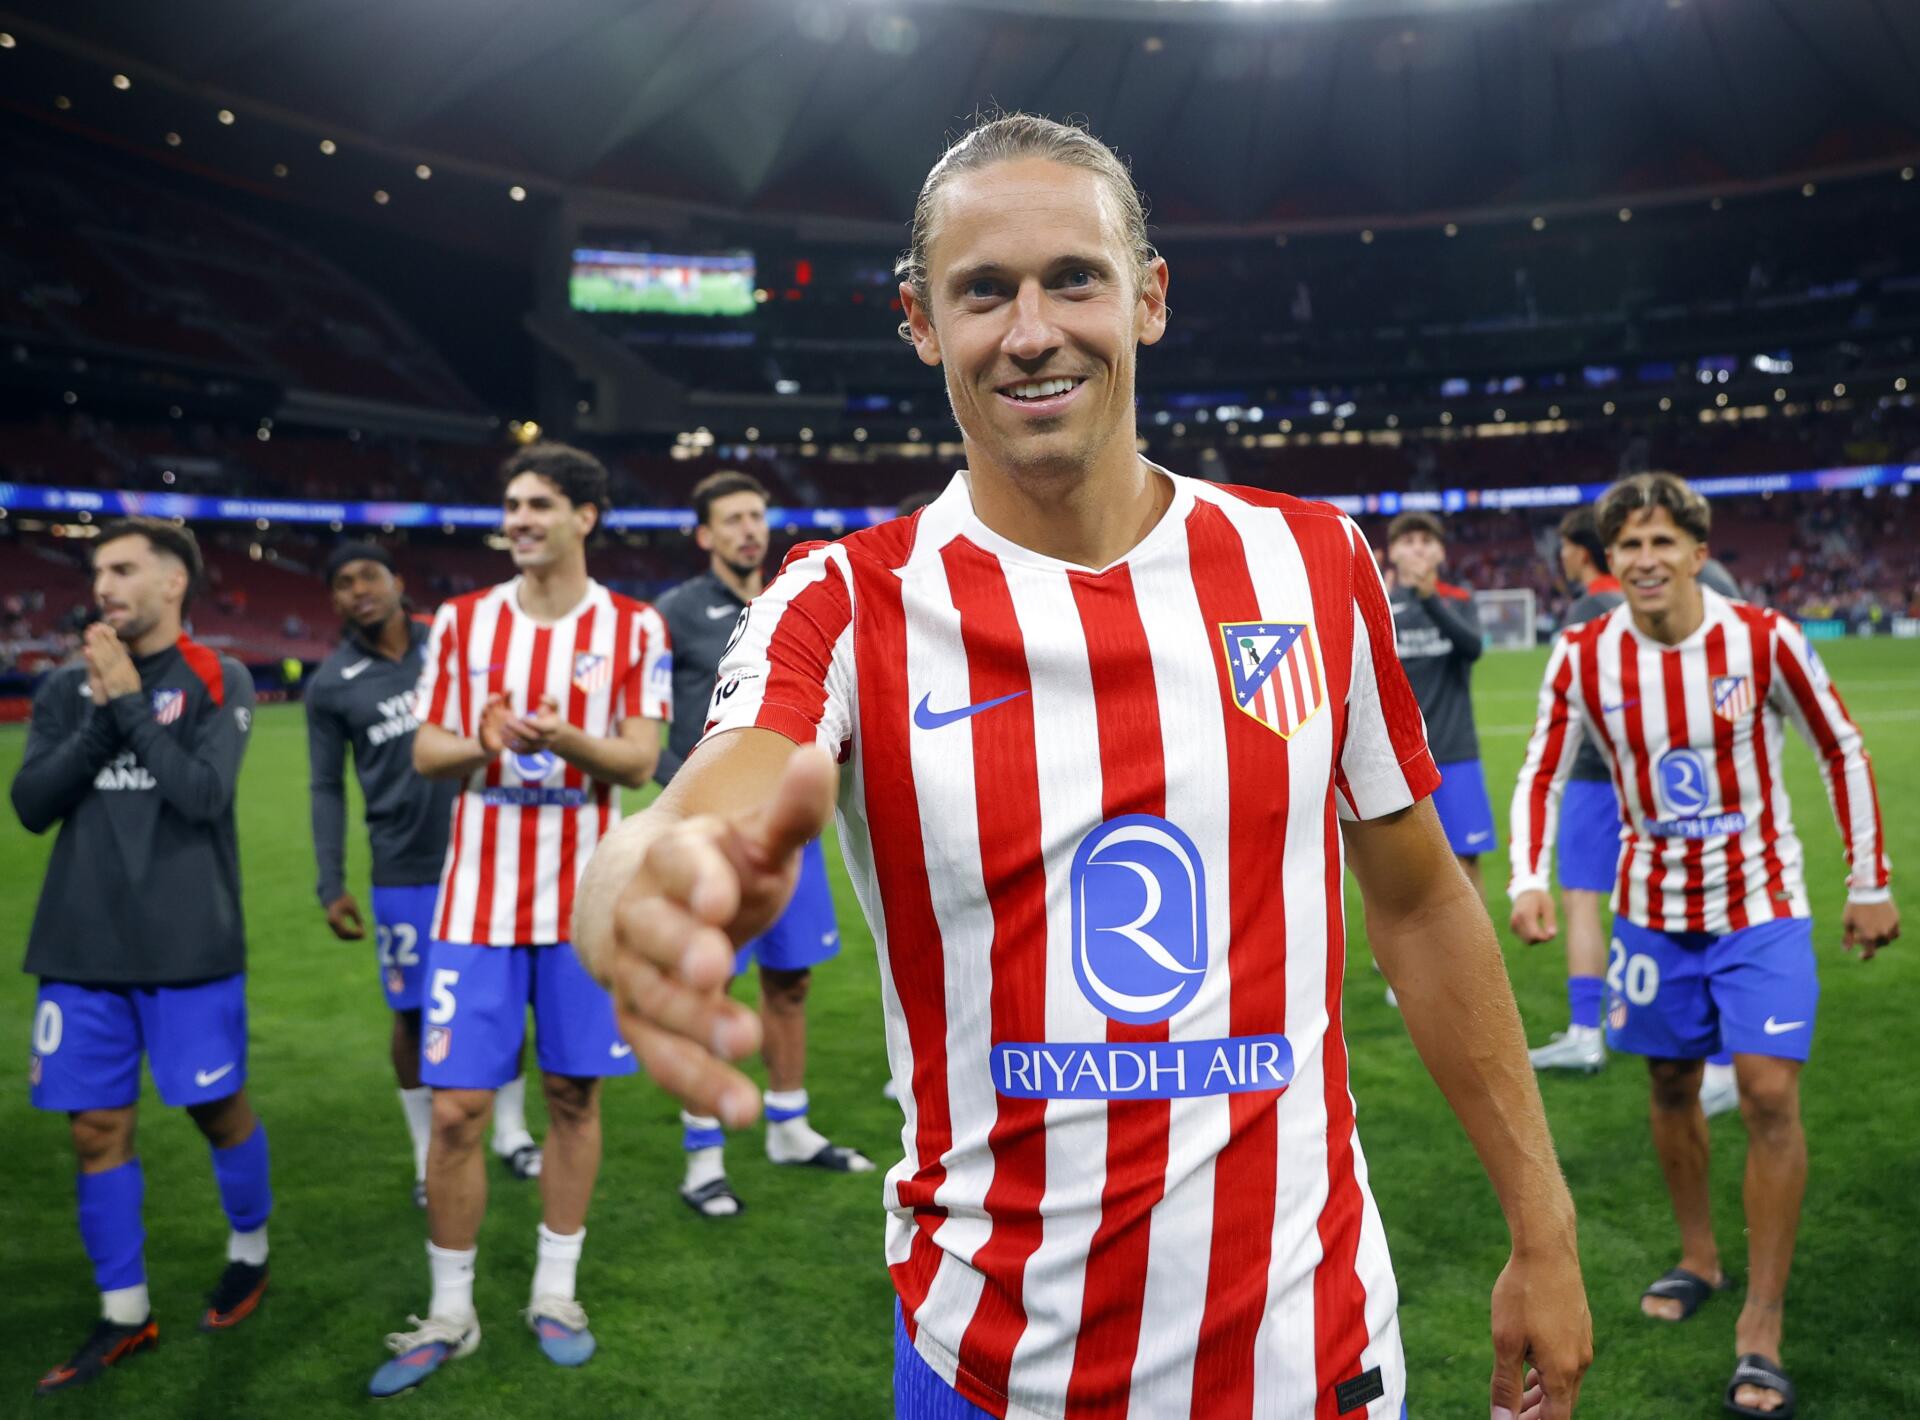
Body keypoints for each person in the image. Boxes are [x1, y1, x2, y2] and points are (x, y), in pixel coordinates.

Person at [574, 113, 1590, 1420]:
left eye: (1074, 279)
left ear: (1148, 298)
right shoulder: (844, 601)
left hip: (1313, 1350)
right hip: (991, 1367)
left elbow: (1419, 897)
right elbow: (704, 797)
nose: (1031, 330)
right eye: (982, 291)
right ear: (920, 323)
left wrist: (1544, 1224)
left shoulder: (1310, 563)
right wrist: (645, 883)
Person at [1509, 472, 1897, 1419]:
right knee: (1672, 1084)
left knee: (1766, 1092)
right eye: (1629, 546)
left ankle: (1761, 1320)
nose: (1645, 560)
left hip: (1761, 902)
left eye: (1661, 542)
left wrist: (1869, 881)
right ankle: (1700, 1257)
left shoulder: (1764, 638)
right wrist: (1526, 876)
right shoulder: (1583, 654)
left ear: (1697, 551)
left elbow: (1841, 747)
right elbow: (1541, 769)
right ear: (1611, 561)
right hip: (1651, 911)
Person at [367, 444, 669, 1396]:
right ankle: (449, 1311)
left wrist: (564, 737)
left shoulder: (633, 626)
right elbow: (427, 752)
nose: (519, 520)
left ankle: (554, 1292)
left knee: (573, 1098)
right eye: (511, 505)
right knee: (458, 1109)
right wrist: (484, 738)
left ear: (585, 516)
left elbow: (640, 761)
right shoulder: (462, 622)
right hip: (475, 906)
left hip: (586, 909)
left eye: (539, 504)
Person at [14, 518, 271, 1394]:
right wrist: (103, 714)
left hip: (187, 945)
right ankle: (125, 1313)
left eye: (123, 569)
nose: (103, 587)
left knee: (216, 1110)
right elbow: (32, 806)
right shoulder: (65, 686)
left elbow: (203, 796)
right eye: (98, 571)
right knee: (94, 1130)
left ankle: (249, 1252)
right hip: (80, 945)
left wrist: (128, 703)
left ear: (173, 583)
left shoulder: (219, 676)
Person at [654, 471, 872, 1218]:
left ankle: (789, 1126)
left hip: (791, 828)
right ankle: (703, 1158)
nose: (748, 529)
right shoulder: (675, 615)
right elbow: (648, 724)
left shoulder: (792, 599)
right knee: (706, 989)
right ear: (705, 535)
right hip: (713, 835)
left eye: (755, 516)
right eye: (732, 519)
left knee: (791, 980)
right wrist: (692, 798)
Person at [306, 541, 542, 1212]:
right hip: (402, 867)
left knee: (501, 999)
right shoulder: (332, 684)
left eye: (369, 576)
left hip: (486, 851)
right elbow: (326, 787)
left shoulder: (454, 642)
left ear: (397, 581)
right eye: (344, 582)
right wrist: (331, 881)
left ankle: (512, 1130)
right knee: (411, 1013)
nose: (359, 590)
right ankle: (424, 1154)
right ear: (334, 599)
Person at [1525, 507, 1625, 1075]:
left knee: (1582, 899)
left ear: (1581, 551)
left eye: (1563, 546)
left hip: (1592, 773)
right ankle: (1632, 1020)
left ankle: (1588, 1033)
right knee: (1643, 901)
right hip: (1641, 772)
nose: (1559, 556)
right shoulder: (1637, 601)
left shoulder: (1588, 610)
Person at [1384, 511, 1495, 900]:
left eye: (1427, 541)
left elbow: (1473, 648)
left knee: (1465, 861)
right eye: (1408, 541)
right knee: (1403, 870)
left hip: (1455, 752)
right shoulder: (1381, 604)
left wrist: (1429, 598)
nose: (1418, 548)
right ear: (1392, 552)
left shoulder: (1458, 600)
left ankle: (1477, 939)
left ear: (1441, 553)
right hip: (1398, 758)